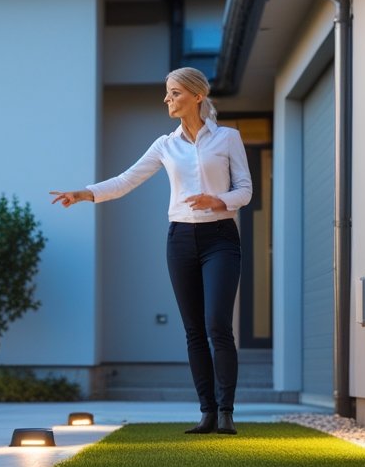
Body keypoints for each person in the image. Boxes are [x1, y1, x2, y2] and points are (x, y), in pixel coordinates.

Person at [50, 67, 252, 435]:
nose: (167, 99)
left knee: (217, 325)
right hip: (180, 240)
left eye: (174, 93)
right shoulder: (165, 145)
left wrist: (217, 201)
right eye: (167, 93)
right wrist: (84, 193)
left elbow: (246, 191)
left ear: (196, 96)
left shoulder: (227, 138)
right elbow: (126, 180)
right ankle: (206, 413)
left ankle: (226, 412)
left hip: (221, 238)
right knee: (193, 330)